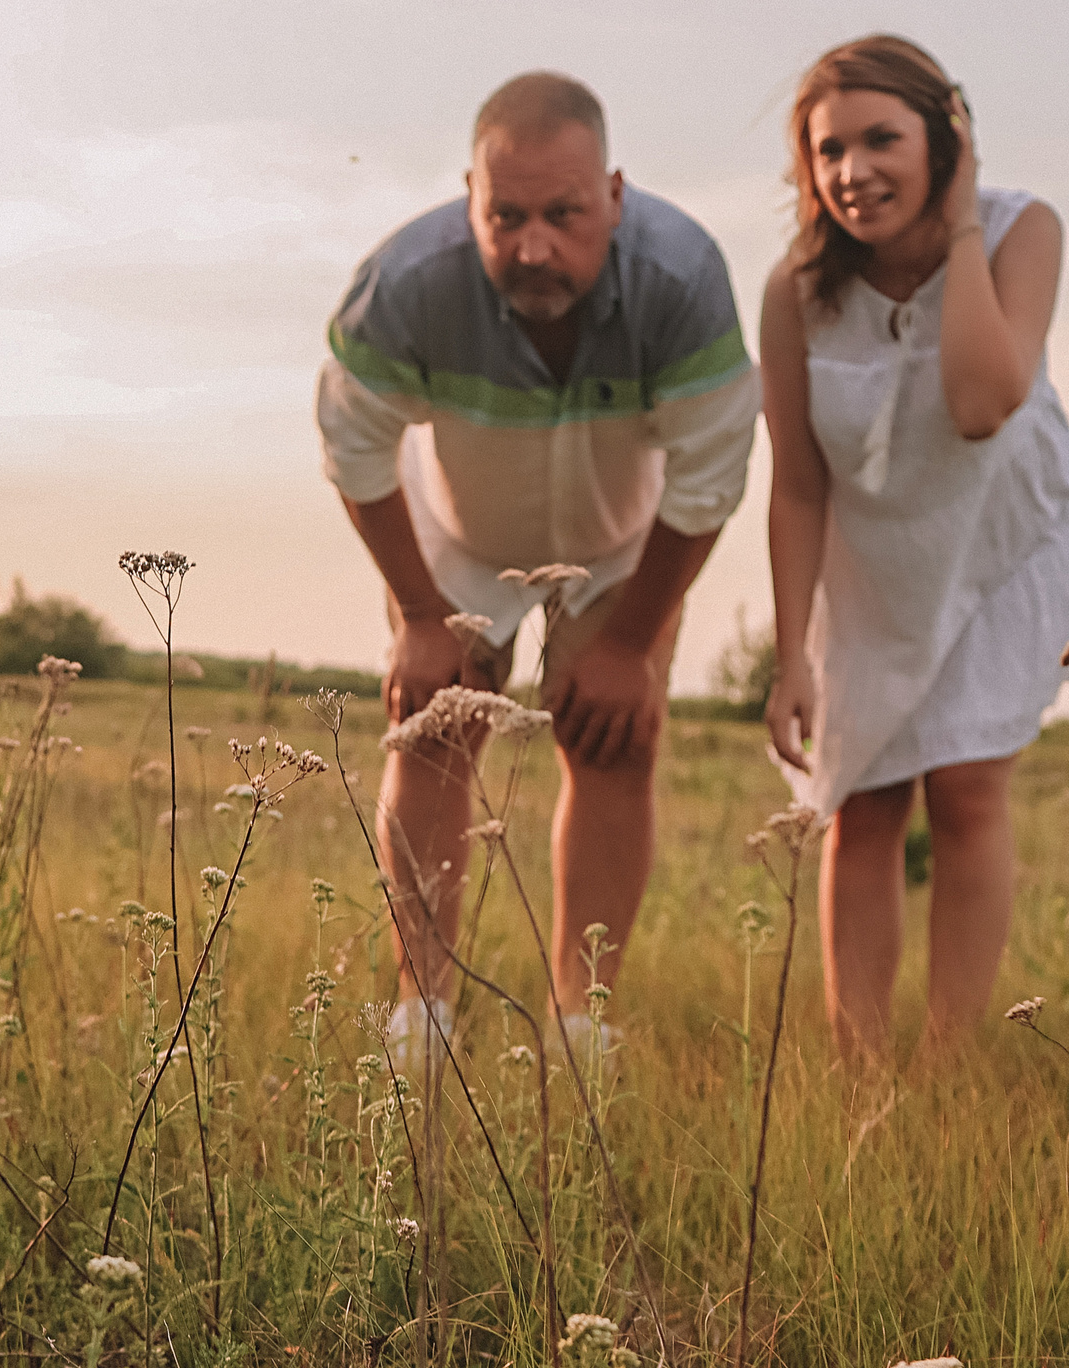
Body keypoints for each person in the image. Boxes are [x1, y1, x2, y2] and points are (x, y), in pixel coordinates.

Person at [316, 71, 759, 1066]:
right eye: (503, 214)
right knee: (431, 726)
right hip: (459, 546)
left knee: (612, 739)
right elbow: (352, 449)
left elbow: (708, 481)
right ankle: (422, 1015)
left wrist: (633, 644)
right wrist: (419, 616)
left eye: (562, 214)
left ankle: (579, 1024)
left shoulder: (682, 279)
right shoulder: (404, 282)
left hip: (623, 549)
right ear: (467, 194)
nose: (531, 246)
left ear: (613, 191)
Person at [759, 35, 1069, 1056]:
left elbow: (983, 402)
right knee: (860, 806)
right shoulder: (794, 292)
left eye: (881, 140)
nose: (853, 171)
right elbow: (799, 484)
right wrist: (791, 656)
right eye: (829, 151)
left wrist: (958, 238)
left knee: (965, 787)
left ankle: (951, 1066)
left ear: (944, 139)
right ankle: (859, 1073)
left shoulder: (1020, 230)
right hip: (870, 565)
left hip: (1003, 546)